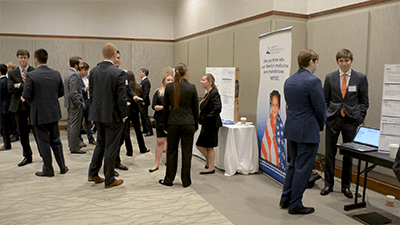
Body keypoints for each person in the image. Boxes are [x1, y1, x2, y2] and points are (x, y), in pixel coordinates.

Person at [279, 49, 326, 215]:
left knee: (293, 166)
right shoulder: (313, 81)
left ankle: (285, 199)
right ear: (311, 62)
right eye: (316, 62)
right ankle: (295, 204)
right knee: (303, 169)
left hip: (292, 129)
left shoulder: (289, 81)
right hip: (307, 131)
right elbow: (320, 109)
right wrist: (321, 125)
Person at [321, 49, 369, 199]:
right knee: (330, 153)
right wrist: (326, 115)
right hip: (333, 119)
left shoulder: (360, 78)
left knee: (348, 154)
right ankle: (328, 184)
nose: (344, 64)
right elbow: (325, 100)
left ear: (351, 61)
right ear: (337, 62)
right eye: (341, 61)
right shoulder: (330, 77)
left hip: (350, 121)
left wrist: (359, 118)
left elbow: (364, 102)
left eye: (346, 61)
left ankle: (346, 186)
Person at [22, 48, 68, 177]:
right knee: (56, 141)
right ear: (46, 59)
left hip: (38, 114)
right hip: (53, 112)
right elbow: (61, 92)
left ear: (35, 59)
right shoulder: (56, 73)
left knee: (43, 143)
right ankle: (62, 166)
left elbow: (26, 95)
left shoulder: (31, 75)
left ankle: (48, 169)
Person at [87, 43, 127, 188]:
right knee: (111, 146)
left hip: (97, 114)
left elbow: (91, 94)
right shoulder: (118, 73)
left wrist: (92, 113)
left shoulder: (93, 71)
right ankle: (109, 178)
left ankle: (93, 172)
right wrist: (123, 114)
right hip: (113, 116)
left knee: (100, 144)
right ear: (114, 54)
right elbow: (121, 98)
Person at [159, 63, 199, 188]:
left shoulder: (169, 88)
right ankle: (186, 181)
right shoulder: (192, 87)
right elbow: (195, 109)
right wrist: (196, 125)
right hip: (188, 123)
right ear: (186, 73)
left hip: (173, 123)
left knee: (171, 152)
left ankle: (169, 179)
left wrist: (165, 125)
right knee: (187, 152)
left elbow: (165, 109)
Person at [7, 49, 36, 166]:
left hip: (32, 105)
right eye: (20, 57)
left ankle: (45, 156)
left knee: (37, 131)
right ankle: (27, 156)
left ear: (28, 58)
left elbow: (34, 88)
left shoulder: (33, 71)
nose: (23, 59)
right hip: (18, 106)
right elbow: (10, 89)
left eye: (25, 57)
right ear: (17, 59)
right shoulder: (12, 73)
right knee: (22, 133)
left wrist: (19, 85)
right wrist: (25, 86)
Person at [196, 74, 222, 174]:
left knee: (208, 146)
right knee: (201, 145)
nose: (201, 82)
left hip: (211, 124)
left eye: (203, 80)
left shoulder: (214, 93)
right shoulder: (208, 94)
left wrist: (207, 118)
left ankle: (211, 166)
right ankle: (209, 162)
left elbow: (217, 108)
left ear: (210, 82)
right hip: (206, 123)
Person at [149, 67, 174, 172]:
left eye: (172, 80)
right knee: (160, 141)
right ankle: (156, 163)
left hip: (172, 120)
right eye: (168, 80)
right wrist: (164, 107)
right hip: (160, 119)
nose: (170, 82)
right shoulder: (158, 92)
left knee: (170, 142)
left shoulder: (176, 92)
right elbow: (153, 106)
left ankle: (169, 161)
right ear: (164, 81)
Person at [64, 56, 85, 154]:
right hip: (74, 105)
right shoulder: (74, 75)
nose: (82, 65)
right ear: (76, 65)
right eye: (80, 63)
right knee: (74, 127)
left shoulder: (68, 73)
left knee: (70, 126)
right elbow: (73, 92)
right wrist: (79, 103)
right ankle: (74, 147)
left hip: (69, 104)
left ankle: (72, 145)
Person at [261, 90, 286, 170]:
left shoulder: (281, 123)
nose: (275, 108)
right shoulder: (269, 123)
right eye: (273, 105)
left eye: (276, 105)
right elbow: (265, 144)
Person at [124, 71, 148, 156]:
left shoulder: (124, 87)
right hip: (135, 109)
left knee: (126, 131)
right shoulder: (137, 86)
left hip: (127, 109)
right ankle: (142, 148)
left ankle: (129, 151)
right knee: (138, 130)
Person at [78, 62, 96, 146]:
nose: (87, 72)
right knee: (80, 122)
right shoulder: (77, 78)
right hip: (81, 102)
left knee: (89, 122)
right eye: (85, 70)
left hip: (89, 101)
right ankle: (79, 140)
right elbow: (76, 90)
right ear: (81, 70)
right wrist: (85, 89)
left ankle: (91, 138)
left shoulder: (89, 78)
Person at [6, 62, 19, 143]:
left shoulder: (13, 77)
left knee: (14, 120)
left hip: (14, 101)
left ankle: (16, 134)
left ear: (10, 69)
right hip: (11, 102)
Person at [0, 64, 12, 150]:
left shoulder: (0, 82)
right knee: (8, 126)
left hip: (2, 108)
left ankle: (6, 144)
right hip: (10, 106)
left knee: (4, 127)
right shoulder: (9, 81)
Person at [139, 68, 153, 137]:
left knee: (145, 116)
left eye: (140, 72)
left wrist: (143, 100)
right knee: (142, 116)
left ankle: (149, 131)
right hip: (142, 101)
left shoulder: (146, 81)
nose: (139, 73)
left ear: (144, 73)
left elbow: (146, 92)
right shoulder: (142, 81)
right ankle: (145, 129)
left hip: (144, 101)